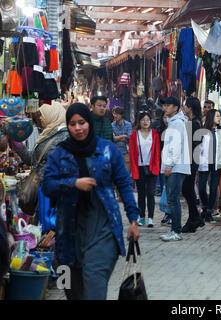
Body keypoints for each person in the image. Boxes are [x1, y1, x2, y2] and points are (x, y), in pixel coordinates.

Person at [42, 103, 140, 300]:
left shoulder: (107, 150)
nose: (78, 128)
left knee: (94, 290)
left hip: (102, 233)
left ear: (89, 123)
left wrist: (133, 220)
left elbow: (124, 184)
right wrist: (73, 183)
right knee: (71, 291)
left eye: (82, 122)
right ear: (67, 127)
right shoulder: (59, 154)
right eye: (72, 124)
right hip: (67, 238)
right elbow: (47, 186)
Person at [10, 102, 69, 231]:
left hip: (54, 194)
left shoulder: (64, 136)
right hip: (44, 190)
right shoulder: (50, 133)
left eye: (42, 117)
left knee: (50, 228)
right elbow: (31, 158)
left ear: (53, 115)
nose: (40, 121)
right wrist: (14, 139)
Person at [160, 96, 191, 242]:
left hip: (176, 166)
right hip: (175, 166)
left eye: (168, 105)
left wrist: (169, 164)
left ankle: (176, 230)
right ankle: (174, 229)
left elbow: (176, 146)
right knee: (172, 199)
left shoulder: (177, 123)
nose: (165, 108)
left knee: (173, 199)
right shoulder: (173, 122)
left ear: (175, 108)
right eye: (164, 105)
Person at [129, 112, 161, 228]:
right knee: (141, 193)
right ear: (139, 122)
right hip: (139, 167)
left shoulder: (155, 134)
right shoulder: (134, 136)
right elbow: (132, 154)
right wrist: (133, 170)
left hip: (152, 167)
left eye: (147, 119)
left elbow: (157, 153)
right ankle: (142, 217)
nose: (145, 122)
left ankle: (151, 218)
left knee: (150, 193)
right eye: (143, 120)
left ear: (150, 121)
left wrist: (157, 166)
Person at [181, 97, 204, 232]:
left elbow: (193, 142)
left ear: (190, 107)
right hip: (191, 159)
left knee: (187, 188)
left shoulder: (194, 123)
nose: (183, 107)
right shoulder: (193, 122)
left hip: (191, 160)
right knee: (187, 189)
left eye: (185, 105)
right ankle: (194, 218)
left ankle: (194, 218)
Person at [112, 107, 133, 172]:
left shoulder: (128, 124)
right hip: (116, 153)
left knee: (127, 174)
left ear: (121, 115)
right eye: (114, 114)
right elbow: (112, 138)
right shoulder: (112, 125)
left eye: (117, 114)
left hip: (126, 153)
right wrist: (123, 136)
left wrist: (117, 137)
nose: (115, 116)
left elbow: (129, 138)